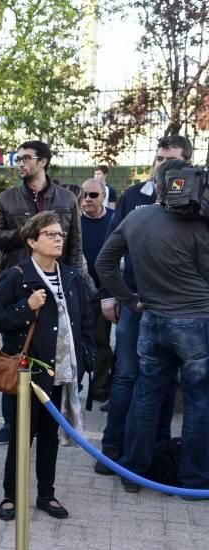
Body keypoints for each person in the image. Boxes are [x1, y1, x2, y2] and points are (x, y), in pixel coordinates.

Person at [96, 158, 209, 493]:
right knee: (199, 401)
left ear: (157, 185)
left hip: (152, 319)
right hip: (196, 324)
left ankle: (134, 472)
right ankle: (194, 479)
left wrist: (130, 301)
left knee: (145, 395)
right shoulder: (200, 226)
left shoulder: (137, 217)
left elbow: (104, 263)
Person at [0, 212, 94, 521]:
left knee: (50, 435)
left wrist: (85, 358)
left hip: (63, 372)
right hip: (28, 374)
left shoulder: (72, 276)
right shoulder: (17, 275)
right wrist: (26, 307)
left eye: (60, 234)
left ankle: (46, 494)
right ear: (32, 241)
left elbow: (86, 322)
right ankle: (11, 495)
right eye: (50, 234)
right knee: (23, 435)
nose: (58, 238)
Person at [0, 139, 82, 446]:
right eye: (19, 159)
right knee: (16, 350)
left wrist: (76, 282)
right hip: (18, 283)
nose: (21, 163)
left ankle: (47, 418)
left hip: (57, 282)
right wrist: (28, 233)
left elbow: (75, 244)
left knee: (50, 351)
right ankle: (11, 423)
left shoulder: (66, 198)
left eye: (26, 158)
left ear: (44, 161)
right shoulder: (7, 198)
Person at [79, 177, 113, 402]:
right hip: (78, 292)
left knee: (101, 343)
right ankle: (72, 387)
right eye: (85, 194)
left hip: (104, 292)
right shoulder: (73, 221)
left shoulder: (114, 220)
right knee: (76, 341)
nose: (88, 199)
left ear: (104, 197)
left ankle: (99, 389)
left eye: (94, 195)